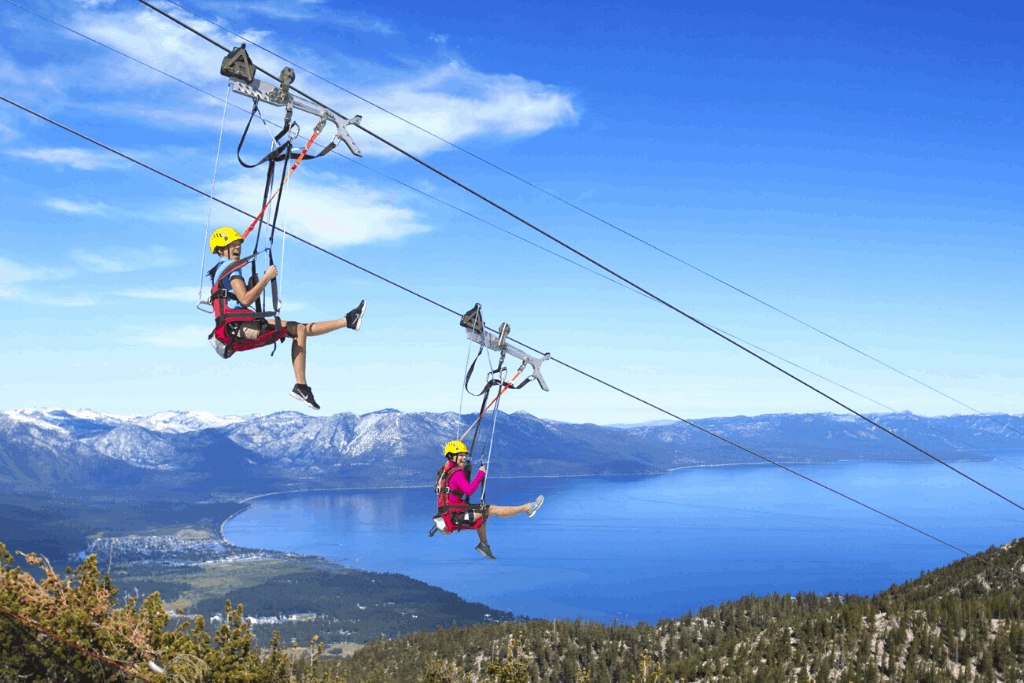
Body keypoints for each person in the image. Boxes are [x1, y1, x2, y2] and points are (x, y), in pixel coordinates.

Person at [208, 227, 366, 410]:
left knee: (299, 329)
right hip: (238, 326)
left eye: (238, 244)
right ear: (220, 250)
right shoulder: (231, 268)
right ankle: (301, 386)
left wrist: (253, 285)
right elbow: (245, 299)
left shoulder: (223, 269)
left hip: (235, 324)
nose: (237, 248)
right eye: (231, 245)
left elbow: (238, 299)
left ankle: (348, 321)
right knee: (298, 329)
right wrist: (266, 278)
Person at [436, 440, 543, 560]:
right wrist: (480, 474)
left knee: (481, 513)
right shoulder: (456, 473)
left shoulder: (446, 472)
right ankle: (528, 508)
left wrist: (466, 470)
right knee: (490, 509)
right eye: (460, 455)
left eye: (464, 455)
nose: (463, 458)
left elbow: (455, 488)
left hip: (449, 514)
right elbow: (469, 490)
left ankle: (484, 545)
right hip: (454, 516)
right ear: (451, 456)